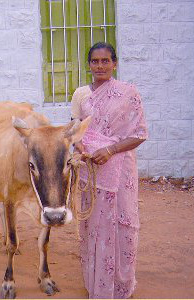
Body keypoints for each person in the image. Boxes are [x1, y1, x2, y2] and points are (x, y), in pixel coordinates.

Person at [71, 42, 148, 298]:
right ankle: (96, 283)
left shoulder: (128, 93)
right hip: (91, 171)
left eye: (105, 61)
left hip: (120, 170)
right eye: (95, 61)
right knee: (93, 227)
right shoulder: (82, 95)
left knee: (122, 224)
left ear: (114, 63)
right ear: (89, 65)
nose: (100, 66)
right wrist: (80, 146)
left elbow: (139, 134)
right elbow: (77, 129)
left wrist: (111, 150)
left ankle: (121, 285)